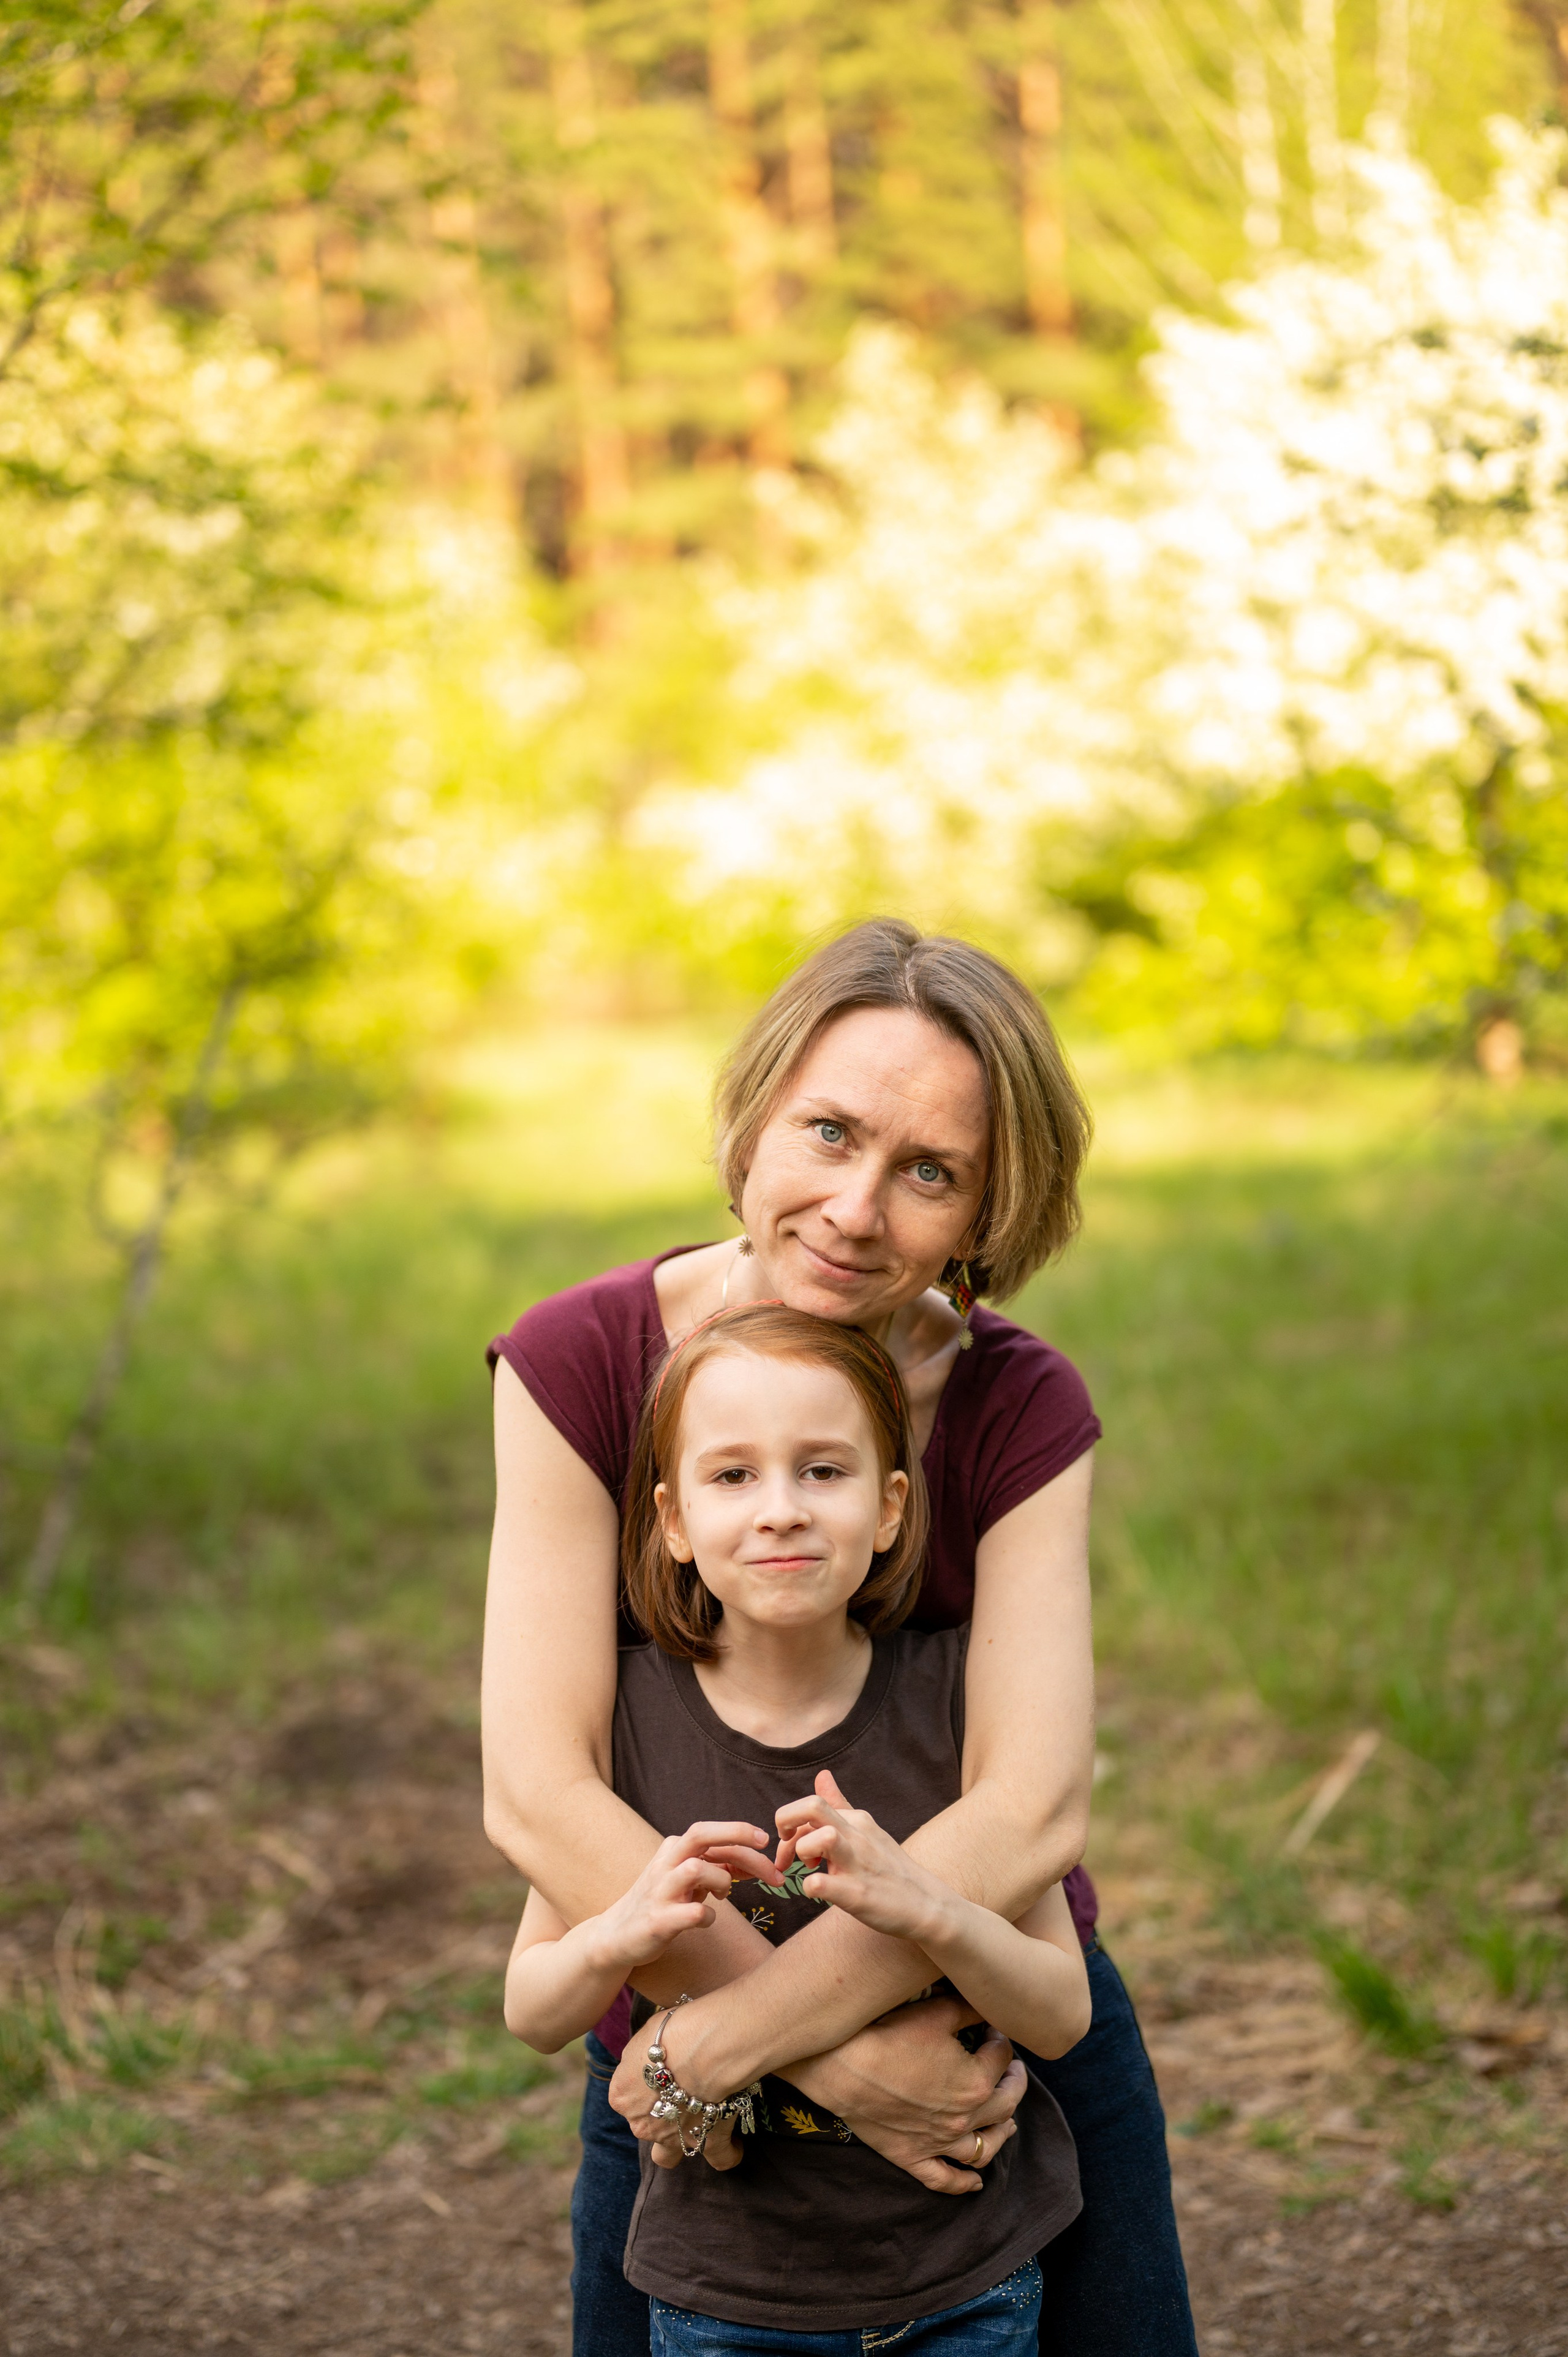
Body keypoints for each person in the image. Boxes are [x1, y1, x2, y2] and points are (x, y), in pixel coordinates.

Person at [484, 918, 1197, 2357]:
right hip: (684, 2056)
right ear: (754, 1116)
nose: (855, 1209)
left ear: (987, 1213)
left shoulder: (1017, 1404)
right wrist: (819, 2062)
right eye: (828, 1131)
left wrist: (747, 2042)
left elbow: (1028, 1804)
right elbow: (537, 1788)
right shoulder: (579, 1362)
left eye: (929, 1171)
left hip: (987, 2053)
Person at [503, 1303, 1091, 2353]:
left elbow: (1059, 2014)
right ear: (673, 1521)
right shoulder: (626, 1730)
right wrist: (617, 1937)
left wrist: (934, 1910)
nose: (780, 1510)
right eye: (733, 1476)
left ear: (891, 1507)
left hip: (965, 2283)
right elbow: (533, 2009)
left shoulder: (960, 1708)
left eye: (823, 1471)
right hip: (724, 2298)